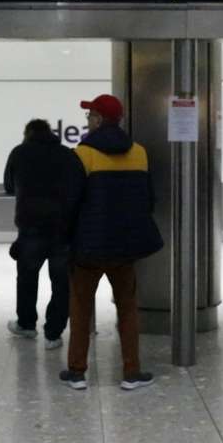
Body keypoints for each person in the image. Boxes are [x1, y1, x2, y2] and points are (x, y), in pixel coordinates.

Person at [60, 94, 161, 391]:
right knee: (128, 308)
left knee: (80, 308)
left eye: (90, 115)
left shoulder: (82, 155)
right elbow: (149, 200)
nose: (87, 120)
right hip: (124, 249)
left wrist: (68, 242)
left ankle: (77, 372)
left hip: (88, 250)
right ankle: (131, 372)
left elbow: (70, 203)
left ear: (100, 120)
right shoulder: (139, 153)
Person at [4, 119, 85, 349]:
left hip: (30, 227)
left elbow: (9, 185)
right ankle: (53, 333)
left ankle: (27, 324)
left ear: (27, 133)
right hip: (62, 229)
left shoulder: (19, 153)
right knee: (61, 283)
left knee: (27, 278)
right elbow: (78, 188)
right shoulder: (67, 154)